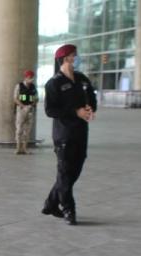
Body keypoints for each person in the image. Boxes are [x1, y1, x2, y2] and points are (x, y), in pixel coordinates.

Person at [42, 44, 97, 225]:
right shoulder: (54, 83)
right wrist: (75, 112)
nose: (77, 58)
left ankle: (51, 203)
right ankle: (68, 209)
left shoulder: (82, 79)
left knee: (74, 171)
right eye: (75, 55)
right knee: (65, 172)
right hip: (64, 134)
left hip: (81, 132)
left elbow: (91, 97)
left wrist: (90, 108)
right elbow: (50, 110)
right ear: (66, 59)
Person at [14, 70, 38, 155]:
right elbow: (15, 98)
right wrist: (23, 106)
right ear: (25, 78)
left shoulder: (33, 87)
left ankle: (24, 148)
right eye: (29, 78)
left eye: (32, 78)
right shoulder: (19, 86)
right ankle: (18, 148)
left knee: (27, 131)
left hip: (30, 110)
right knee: (19, 129)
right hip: (21, 110)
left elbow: (36, 98)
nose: (31, 79)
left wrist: (31, 105)